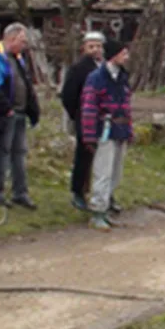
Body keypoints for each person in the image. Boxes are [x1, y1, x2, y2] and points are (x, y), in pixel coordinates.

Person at [0, 23, 40, 210]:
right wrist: (5, 108)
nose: (24, 45)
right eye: (22, 41)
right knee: (1, 151)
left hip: (20, 112)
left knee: (19, 152)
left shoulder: (19, 59)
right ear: (10, 39)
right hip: (6, 113)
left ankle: (20, 192)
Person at [80, 40, 133, 230]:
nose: (126, 57)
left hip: (120, 129)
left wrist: (129, 131)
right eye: (123, 53)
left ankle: (107, 206)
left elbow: (127, 106)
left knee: (115, 172)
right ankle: (97, 211)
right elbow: (89, 107)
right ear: (114, 55)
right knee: (102, 172)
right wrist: (89, 135)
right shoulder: (97, 78)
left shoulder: (122, 78)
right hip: (105, 130)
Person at [61, 31, 105, 210]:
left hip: (103, 118)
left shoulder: (105, 66)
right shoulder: (79, 68)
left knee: (103, 158)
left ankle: (102, 193)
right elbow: (68, 94)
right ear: (84, 48)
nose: (95, 50)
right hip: (85, 117)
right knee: (83, 156)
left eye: (98, 46)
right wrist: (77, 114)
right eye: (91, 46)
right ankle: (78, 191)